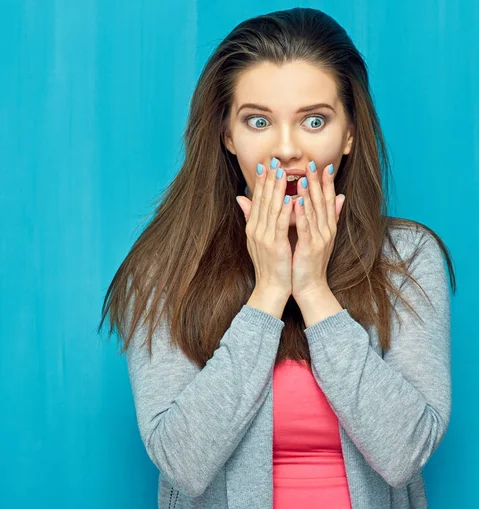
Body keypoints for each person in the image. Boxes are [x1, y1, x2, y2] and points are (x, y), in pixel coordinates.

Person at [98, 7, 456, 509]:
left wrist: (312, 290)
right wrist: (268, 293)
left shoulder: (410, 258)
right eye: (259, 121)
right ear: (227, 134)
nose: (286, 148)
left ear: (350, 133)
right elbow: (182, 462)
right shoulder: (164, 268)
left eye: (314, 120)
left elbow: (405, 452)